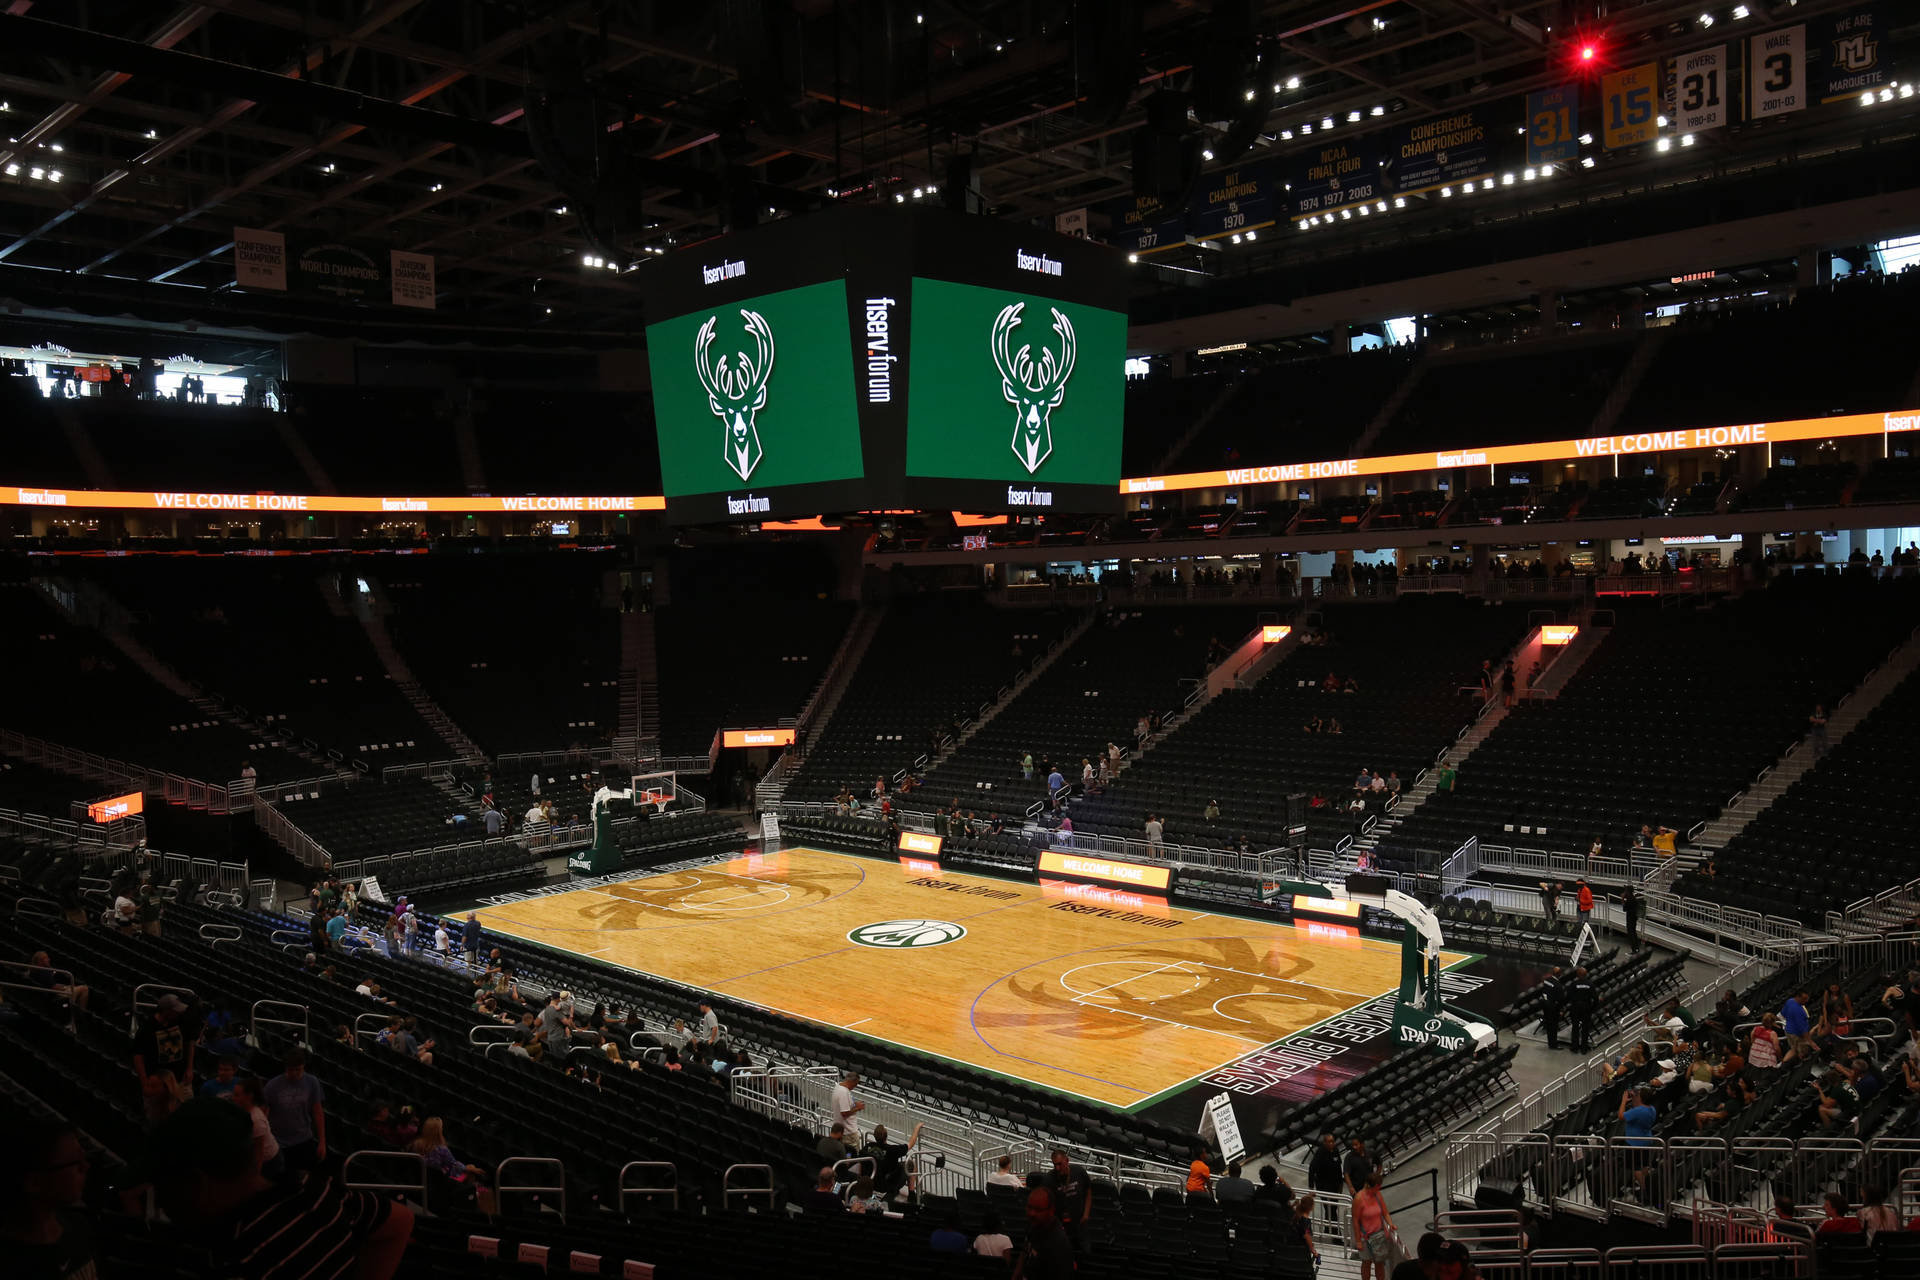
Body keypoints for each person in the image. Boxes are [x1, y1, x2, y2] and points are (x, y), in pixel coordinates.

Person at [143, 1098, 412, 1279]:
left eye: (162, 1183)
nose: (161, 1198)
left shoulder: (237, 1261)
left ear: (197, 1181)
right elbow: (401, 1220)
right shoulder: (313, 1188)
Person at [0, 1119, 96, 1280]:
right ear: (34, 1183)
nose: (86, 1167)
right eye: (75, 1163)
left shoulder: (79, 1225)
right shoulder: (12, 1266)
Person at [134, 992, 196, 1124]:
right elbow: (138, 1056)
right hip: (157, 1082)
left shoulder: (181, 1021)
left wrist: (190, 1068)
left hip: (181, 1078)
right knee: (157, 1118)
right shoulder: (147, 1028)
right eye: (175, 1011)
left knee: (186, 1115)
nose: (178, 1013)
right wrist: (145, 1082)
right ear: (166, 1011)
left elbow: (190, 1042)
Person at [262, 1049, 327, 1172]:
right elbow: (264, 1114)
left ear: (303, 1067)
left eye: (298, 1070)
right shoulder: (272, 1086)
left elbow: (317, 1112)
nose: (295, 1073)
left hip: (303, 1139)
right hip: (278, 1142)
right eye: (291, 1070)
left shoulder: (312, 1082)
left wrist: (322, 1141)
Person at [1014, 1187, 1074, 1280]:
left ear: (1051, 1210)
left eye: (1038, 1210)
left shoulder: (1058, 1244)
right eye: (1029, 1207)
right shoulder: (1034, 1223)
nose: (1032, 1213)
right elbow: (1025, 1250)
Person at [1353, 1168, 1398, 1280]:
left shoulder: (1377, 1195)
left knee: (1379, 1263)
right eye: (1379, 1185)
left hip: (1378, 1235)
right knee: (1367, 1263)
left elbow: (1385, 1212)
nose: (1380, 1188)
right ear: (1373, 1186)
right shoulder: (1359, 1199)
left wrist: (1390, 1224)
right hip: (1365, 1237)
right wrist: (1358, 1241)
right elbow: (1355, 1220)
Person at [1047, 1148, 1092, 1246]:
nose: (1057, 1168)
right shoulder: (1050, 1178)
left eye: (1059, 1164)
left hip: (1080, 1223)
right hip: (1061, 1225)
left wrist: (1086, 1215)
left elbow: (1088, 1191)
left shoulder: (1079, 1171)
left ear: (1067, 1161)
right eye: (1055, 1165)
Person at [1619, 1087, 1656, 1198]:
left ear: (1641, 1098)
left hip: (1634, 1143)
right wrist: (1634, 1099)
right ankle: (1647, 1187)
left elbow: (1621, 1115)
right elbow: (1637, 1108)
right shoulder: (1651, 1109)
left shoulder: (1638, 1111)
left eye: (1638, 1095)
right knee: (1643, 1165)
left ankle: (1645, 1190)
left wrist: (1623, 1101)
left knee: (1636, 1168)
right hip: (1646, 1141)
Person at [1307, 1131, 1343, 1220]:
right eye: (1329, 1142)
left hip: (1334, 1184)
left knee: (1334, 1207)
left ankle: (1329, 1229)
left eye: (1333, 1141)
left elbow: (1338, 1167)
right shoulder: (1320, 1153)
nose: (1332, 1143)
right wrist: (1311, 1188)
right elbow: (1312, 1169)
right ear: (1324, 1143)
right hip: (1323, 1185)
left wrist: (1341, 1184)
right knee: (1328, 1208)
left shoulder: (1335, 1150)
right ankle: (1333, 1228)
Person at [1568, 966, 1597, 1053]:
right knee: (1585, 1029)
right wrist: (1591, 1009)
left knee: (1575, 1028)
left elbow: (1569, 996)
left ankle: (1575, 1048)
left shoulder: (1574, 984)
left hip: (1576, 1007)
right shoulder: (1590, 984)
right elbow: (1595, 998)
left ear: (1577, 974)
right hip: (1586, 1008)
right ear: (1586, 974)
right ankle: (1584, 1049)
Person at [1286, 1194, 1320, 1263]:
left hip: (1291, 1245)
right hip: (1300, 1248)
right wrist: (1313, 1251)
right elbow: (1307, 1235)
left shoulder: (1296, 1215)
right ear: (1311, 1207)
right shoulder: (1305, 1220)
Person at [830, 1070, 864, 1138]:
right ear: (852, 1082)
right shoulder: (844, 1092)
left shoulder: (838, 1087)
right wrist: (858, 1108)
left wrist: (854, 1104)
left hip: (842, 1129)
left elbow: (844, 1105)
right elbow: (844, 1113)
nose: (855, 1086)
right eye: (856, 1084)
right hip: (848, 1132)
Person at [1538, 966, 1564, 1051]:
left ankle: (1550, 1042)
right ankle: (1554, 1044)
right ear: (1559, 974)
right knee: (1553, 1026)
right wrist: (1561, 1010)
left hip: (1545, 1005)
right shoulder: (1558, 986)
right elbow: (1560, 1000)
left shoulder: (1546, 980)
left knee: (1549, 1025)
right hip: (1553, 1007)